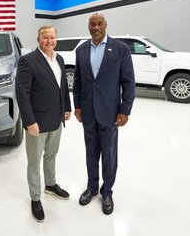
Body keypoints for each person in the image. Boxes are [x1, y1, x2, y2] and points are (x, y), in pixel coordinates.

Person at [73, 13, 135, 215]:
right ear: (88, 26)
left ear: (106, 25)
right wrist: (78, 105)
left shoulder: (120, 49)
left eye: (100, 24)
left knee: (108, 155)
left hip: (110, 112)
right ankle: (91, 187)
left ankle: (107, 191)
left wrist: (125, 110)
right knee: (90, 152)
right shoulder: (81, 50)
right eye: (92, 24)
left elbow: (128, 82)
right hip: (88, 111)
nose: (96, 27)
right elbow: (78, 81)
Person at [15, 25, 71, 223]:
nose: (49, 41)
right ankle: (35, 198)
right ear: (38, 39)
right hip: (37, 123)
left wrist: (67, 107)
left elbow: (62, 85)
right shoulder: (28, 61)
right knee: (34, 162)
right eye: (45, 37)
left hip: (56, 119)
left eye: (52, 37)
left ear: (56, 39)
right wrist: (29, 121)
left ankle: (51, 185)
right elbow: (22, 94)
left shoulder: (60, 59)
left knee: (51, 154)